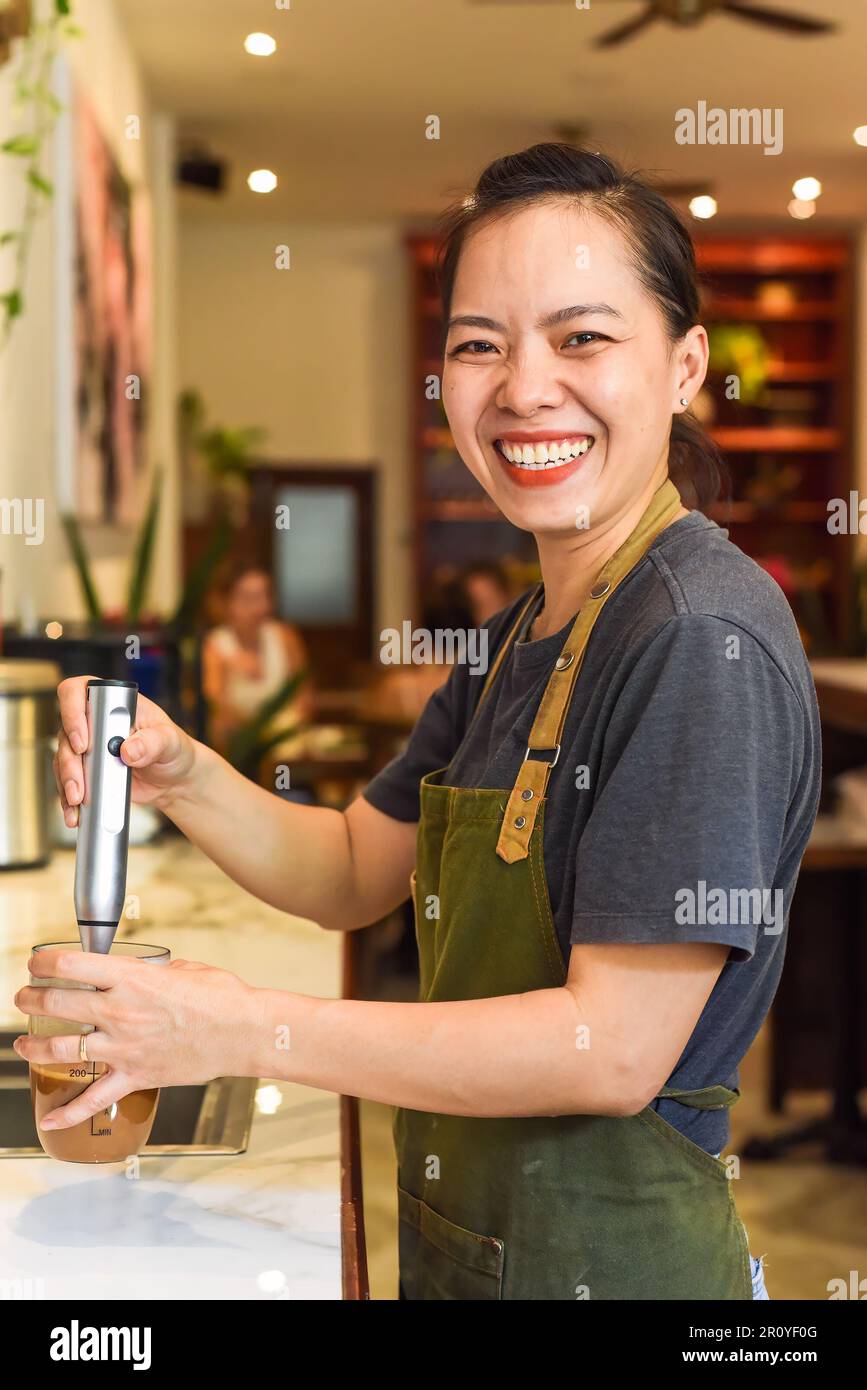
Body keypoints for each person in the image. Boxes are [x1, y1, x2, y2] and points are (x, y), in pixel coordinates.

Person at [24, 144, 821, 1300]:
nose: (524, 386)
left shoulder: (699, 633)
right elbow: (354, 865)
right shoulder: (523, 635)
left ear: (687, 364)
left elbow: (612, 1048)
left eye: (582, 337)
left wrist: (240, 1029)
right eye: (478, 344)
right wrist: (180, 770)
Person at [201, 563, 313, 753]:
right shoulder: (215, 648)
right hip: (239, 753)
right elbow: (216, 717)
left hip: (287, 746)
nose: (261, 607)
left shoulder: (285, 636)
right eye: (249, 599)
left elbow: (304, 696)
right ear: (227, 603)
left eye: (265, 596)